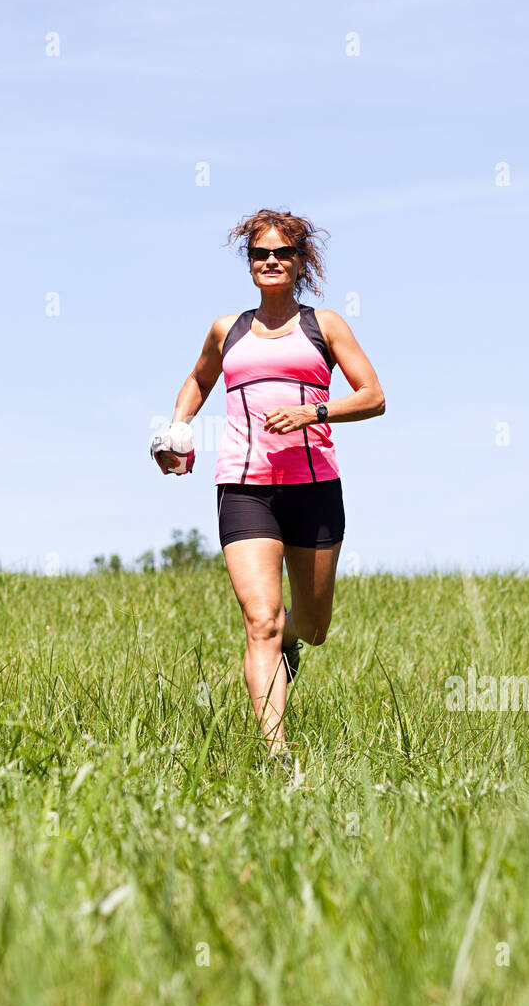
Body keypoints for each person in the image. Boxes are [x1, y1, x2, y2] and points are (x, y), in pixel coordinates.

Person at [153, 209, 385, 767]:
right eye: (261, 254)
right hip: (244, 487)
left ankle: (291, 646)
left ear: (301, 262)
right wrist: (177, 428)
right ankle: (278, 755)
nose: (271, 261)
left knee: (311, 626)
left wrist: (315, 411)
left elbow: (373, 395)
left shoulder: (324, 326)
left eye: (283, 253)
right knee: (262, 619)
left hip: (314, 488)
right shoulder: (226, 329)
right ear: (250, 263)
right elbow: (199, 378)